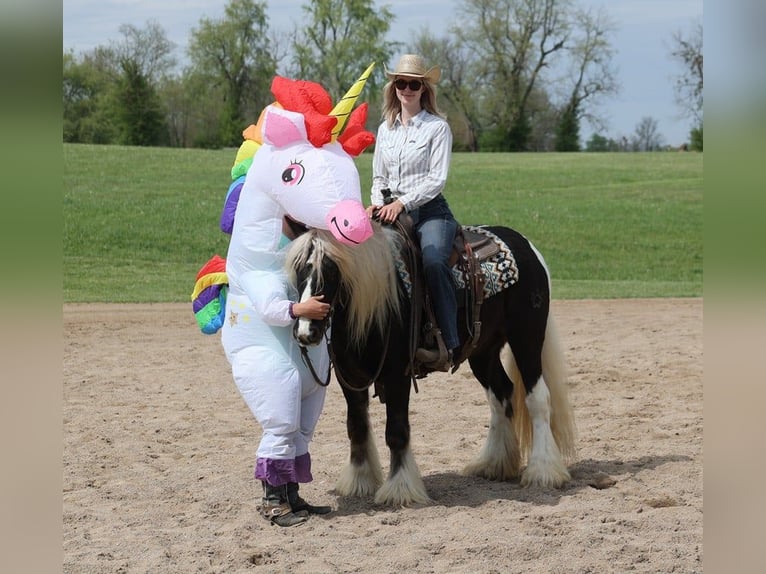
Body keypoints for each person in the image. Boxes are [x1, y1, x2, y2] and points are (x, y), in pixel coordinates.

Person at [366, 54, 459, 372]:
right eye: (401, 83)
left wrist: (401, 203)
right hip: (390, 210)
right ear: (393, 87)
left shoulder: (438, 128)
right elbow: (378, 177)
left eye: (414, 84)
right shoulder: (385, 130)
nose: (407, 89)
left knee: (433, 262)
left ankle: (449, 340)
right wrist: (378, 202)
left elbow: (437, 180)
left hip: (431, 212)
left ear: (423, 89)